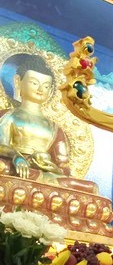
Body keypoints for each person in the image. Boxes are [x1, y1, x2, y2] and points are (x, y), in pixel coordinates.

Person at [0, 54, 96, 192]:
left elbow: (63, 167)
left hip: (44, 176)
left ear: (51, 90)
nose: (40, 89)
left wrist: (49, 166)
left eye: (46, 86)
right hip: (13, 167)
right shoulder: (9, 116)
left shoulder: (54, 128)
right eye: (34, 83)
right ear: (18, 81)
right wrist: (16, 156)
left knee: (90, 188)